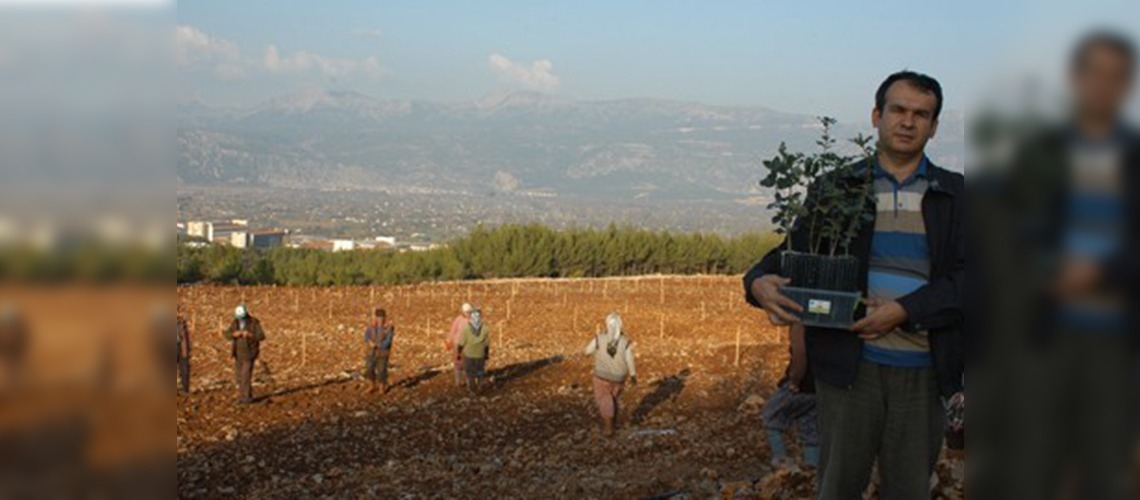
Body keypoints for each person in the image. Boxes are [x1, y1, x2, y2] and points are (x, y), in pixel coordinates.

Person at [745, 70, 964, 499]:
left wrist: (907, 310)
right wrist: (755, 283)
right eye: (898, 110)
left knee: (908, 490)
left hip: (922, 375)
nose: (908, 121)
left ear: (934, 126)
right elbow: (793, 251)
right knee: (838, 487)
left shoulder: (958, 197)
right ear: (876, 116)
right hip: (849, 370)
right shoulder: (838, 189)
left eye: (921, 114)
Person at [760, 323, 818, 468]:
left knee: (771, 414)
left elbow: (800, 354)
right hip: (819, 387)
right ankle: (811, 470)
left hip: (802, 384)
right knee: (810, 427)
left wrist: (795, 380)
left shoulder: (798, 323)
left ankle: (781, 460)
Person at [584, 312, 637, 438]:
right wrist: (633, 375)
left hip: (601, 376)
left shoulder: (599, 338)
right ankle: (614, 422)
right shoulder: (626, 342)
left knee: (604, 399)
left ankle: (608, 429)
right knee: (613, 399)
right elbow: (630, 359)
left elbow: (587, 351)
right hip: (619, 377)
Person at [223, 304, 265, 404]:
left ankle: (246, 398)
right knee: (239, 377)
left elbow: (261, 336)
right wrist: (234, 334)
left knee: (245, 376)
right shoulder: (235, 322)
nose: (240, 319)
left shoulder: (254, 322)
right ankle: (243, 396)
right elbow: (227, 334)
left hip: (249, 354)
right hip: (237, 354)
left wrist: (250, 335)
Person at [363, 308, 395, 394]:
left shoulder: (388, 328)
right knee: (369, 368)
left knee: (381, 370)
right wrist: (369, 342)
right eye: (378, 317)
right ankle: (371, 385)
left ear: (384, 318)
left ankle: (382, 387)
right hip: (371, 352)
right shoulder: (371, 327)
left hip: (382, 353)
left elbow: (388, 341)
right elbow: (366, 336)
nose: (380, 320)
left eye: (381, 318)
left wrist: (378, 345)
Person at [456, 308, 489, 393]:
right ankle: (480, 386)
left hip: (469, 354)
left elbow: (462, 342)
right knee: (480, 371)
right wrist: (486, 354)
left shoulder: (466, 328)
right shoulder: (485, 328)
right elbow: (487, 343)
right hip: (480, 353)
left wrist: (458, 352)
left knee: (470, 372)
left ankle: (472, 388)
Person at [446, 303, 473, 387]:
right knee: (458, 363)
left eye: (469, 312)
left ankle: (469, 383)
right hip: (458, 344)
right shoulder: (458, 320)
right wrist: (449, 340)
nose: (467, 314)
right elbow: (453, 330)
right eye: (466, 312)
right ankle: (458, 382)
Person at [176, 313, 191, 396]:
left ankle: (185, 389)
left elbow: (186, 337)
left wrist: (187, 350)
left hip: (181, 347)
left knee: (184, 369)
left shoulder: (181, 322)